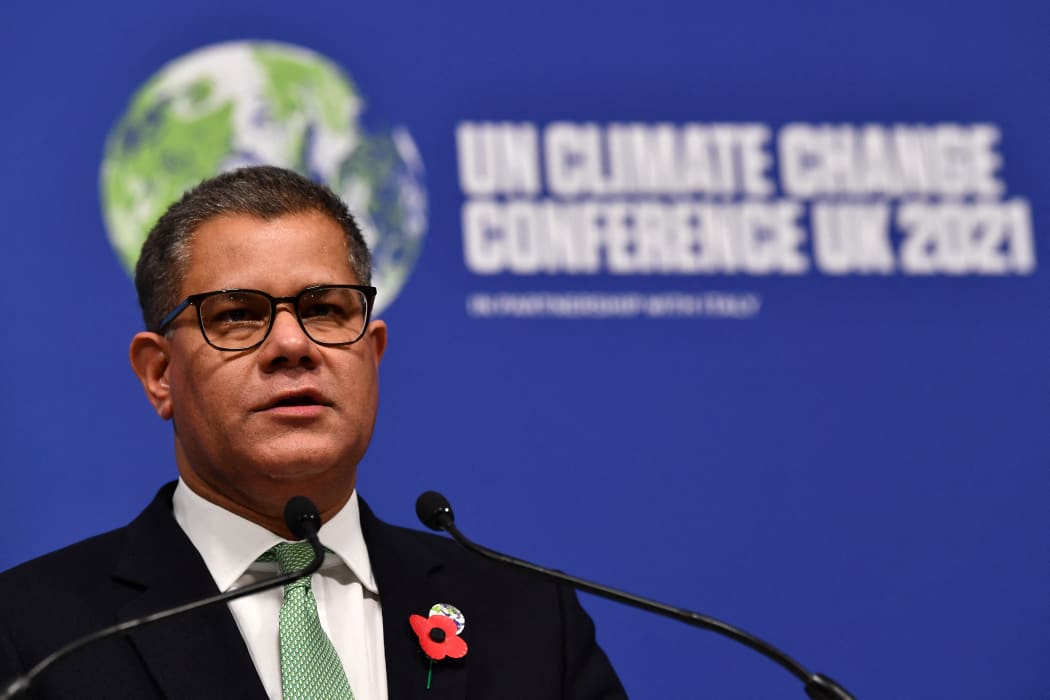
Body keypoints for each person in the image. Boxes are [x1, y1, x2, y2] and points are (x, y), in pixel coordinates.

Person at [0, 166, 627, 699]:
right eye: (239, 316)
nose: (293, 345)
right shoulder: (36, 637)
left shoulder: (530, 622)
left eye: (326, 310)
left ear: (372, 354)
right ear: (160, 373)